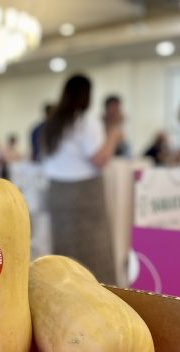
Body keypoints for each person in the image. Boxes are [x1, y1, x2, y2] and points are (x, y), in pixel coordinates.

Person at [41, 74, 122, 284]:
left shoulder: (54, 123)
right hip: (84, 194)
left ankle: (64, 299)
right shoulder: (86, 119)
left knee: (65, 251)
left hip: (57, 193)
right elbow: (99, 159)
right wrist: (114, 134)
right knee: (93, 253)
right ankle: (99, 305)